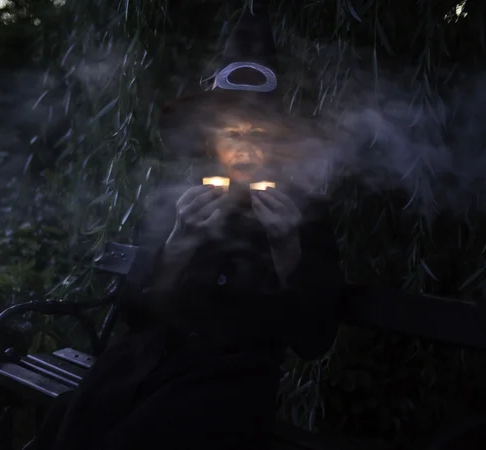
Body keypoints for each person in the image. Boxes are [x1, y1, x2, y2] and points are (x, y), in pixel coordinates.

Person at [27, 113, 344, 450]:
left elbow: (314, 341)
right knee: (73, 421)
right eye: (232, 133)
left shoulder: (304, 212)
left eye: (259, 133)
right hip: (145, 363)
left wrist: (287, 249)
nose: (246, 148)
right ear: (212, 142)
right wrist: (180, 240)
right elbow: (135, 314)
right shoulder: (181, 200)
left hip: (228, 383)